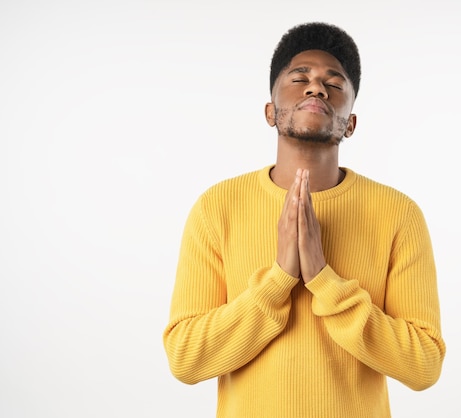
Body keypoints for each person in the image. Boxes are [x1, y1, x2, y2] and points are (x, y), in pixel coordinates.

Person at [163, 21, 446, 418]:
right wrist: (279, 279)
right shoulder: (216, 207)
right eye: (300, 78)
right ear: (269, 111)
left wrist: (323, 280)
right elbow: (186, 359)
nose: (317, 88)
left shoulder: (399, 214)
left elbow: (424, 365)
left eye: (334, 84)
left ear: (351, 123)